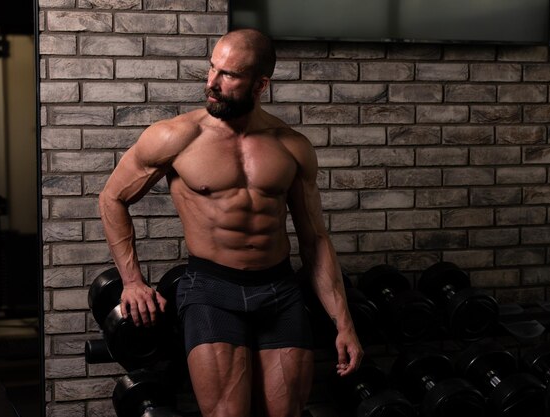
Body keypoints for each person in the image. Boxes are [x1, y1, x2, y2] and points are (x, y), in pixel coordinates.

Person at [99, 28, 363, 417]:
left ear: (261, 84)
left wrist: (344, 323)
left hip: (279, 290)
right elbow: (112, 197)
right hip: (211, 290)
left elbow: (315, 240)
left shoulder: (291, 146)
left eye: (229, 75)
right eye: (211, 69)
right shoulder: (176, 137)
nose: (212, 83)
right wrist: (133, 281)